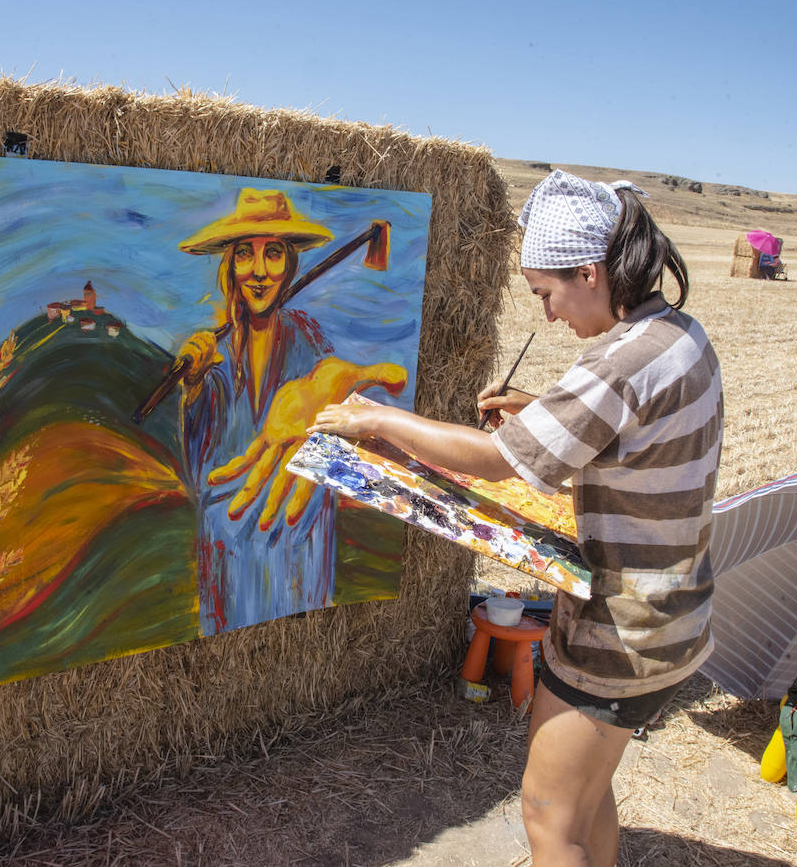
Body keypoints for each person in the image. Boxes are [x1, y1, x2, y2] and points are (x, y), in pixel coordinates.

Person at [309, 169, 723, 867]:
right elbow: (628, 432)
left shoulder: (619, 363)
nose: (549, 315)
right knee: (583, 799)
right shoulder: (678, 334)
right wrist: (542, 408)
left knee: (547, 814)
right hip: (673, 617)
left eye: (545, 293)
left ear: (589, 271)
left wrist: (380, 416)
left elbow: (501, 462)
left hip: (620, 635)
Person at [174, 188, 406, 636]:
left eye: (274, 253)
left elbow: (344, 410)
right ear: (229, 266)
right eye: (245, 254)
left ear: (291, 265)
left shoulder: (310, 341)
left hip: (299, 535)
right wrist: (194, 383)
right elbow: (198, 460)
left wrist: (338, 391)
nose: (259, 272)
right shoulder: (215, 354)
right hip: (228, 538)